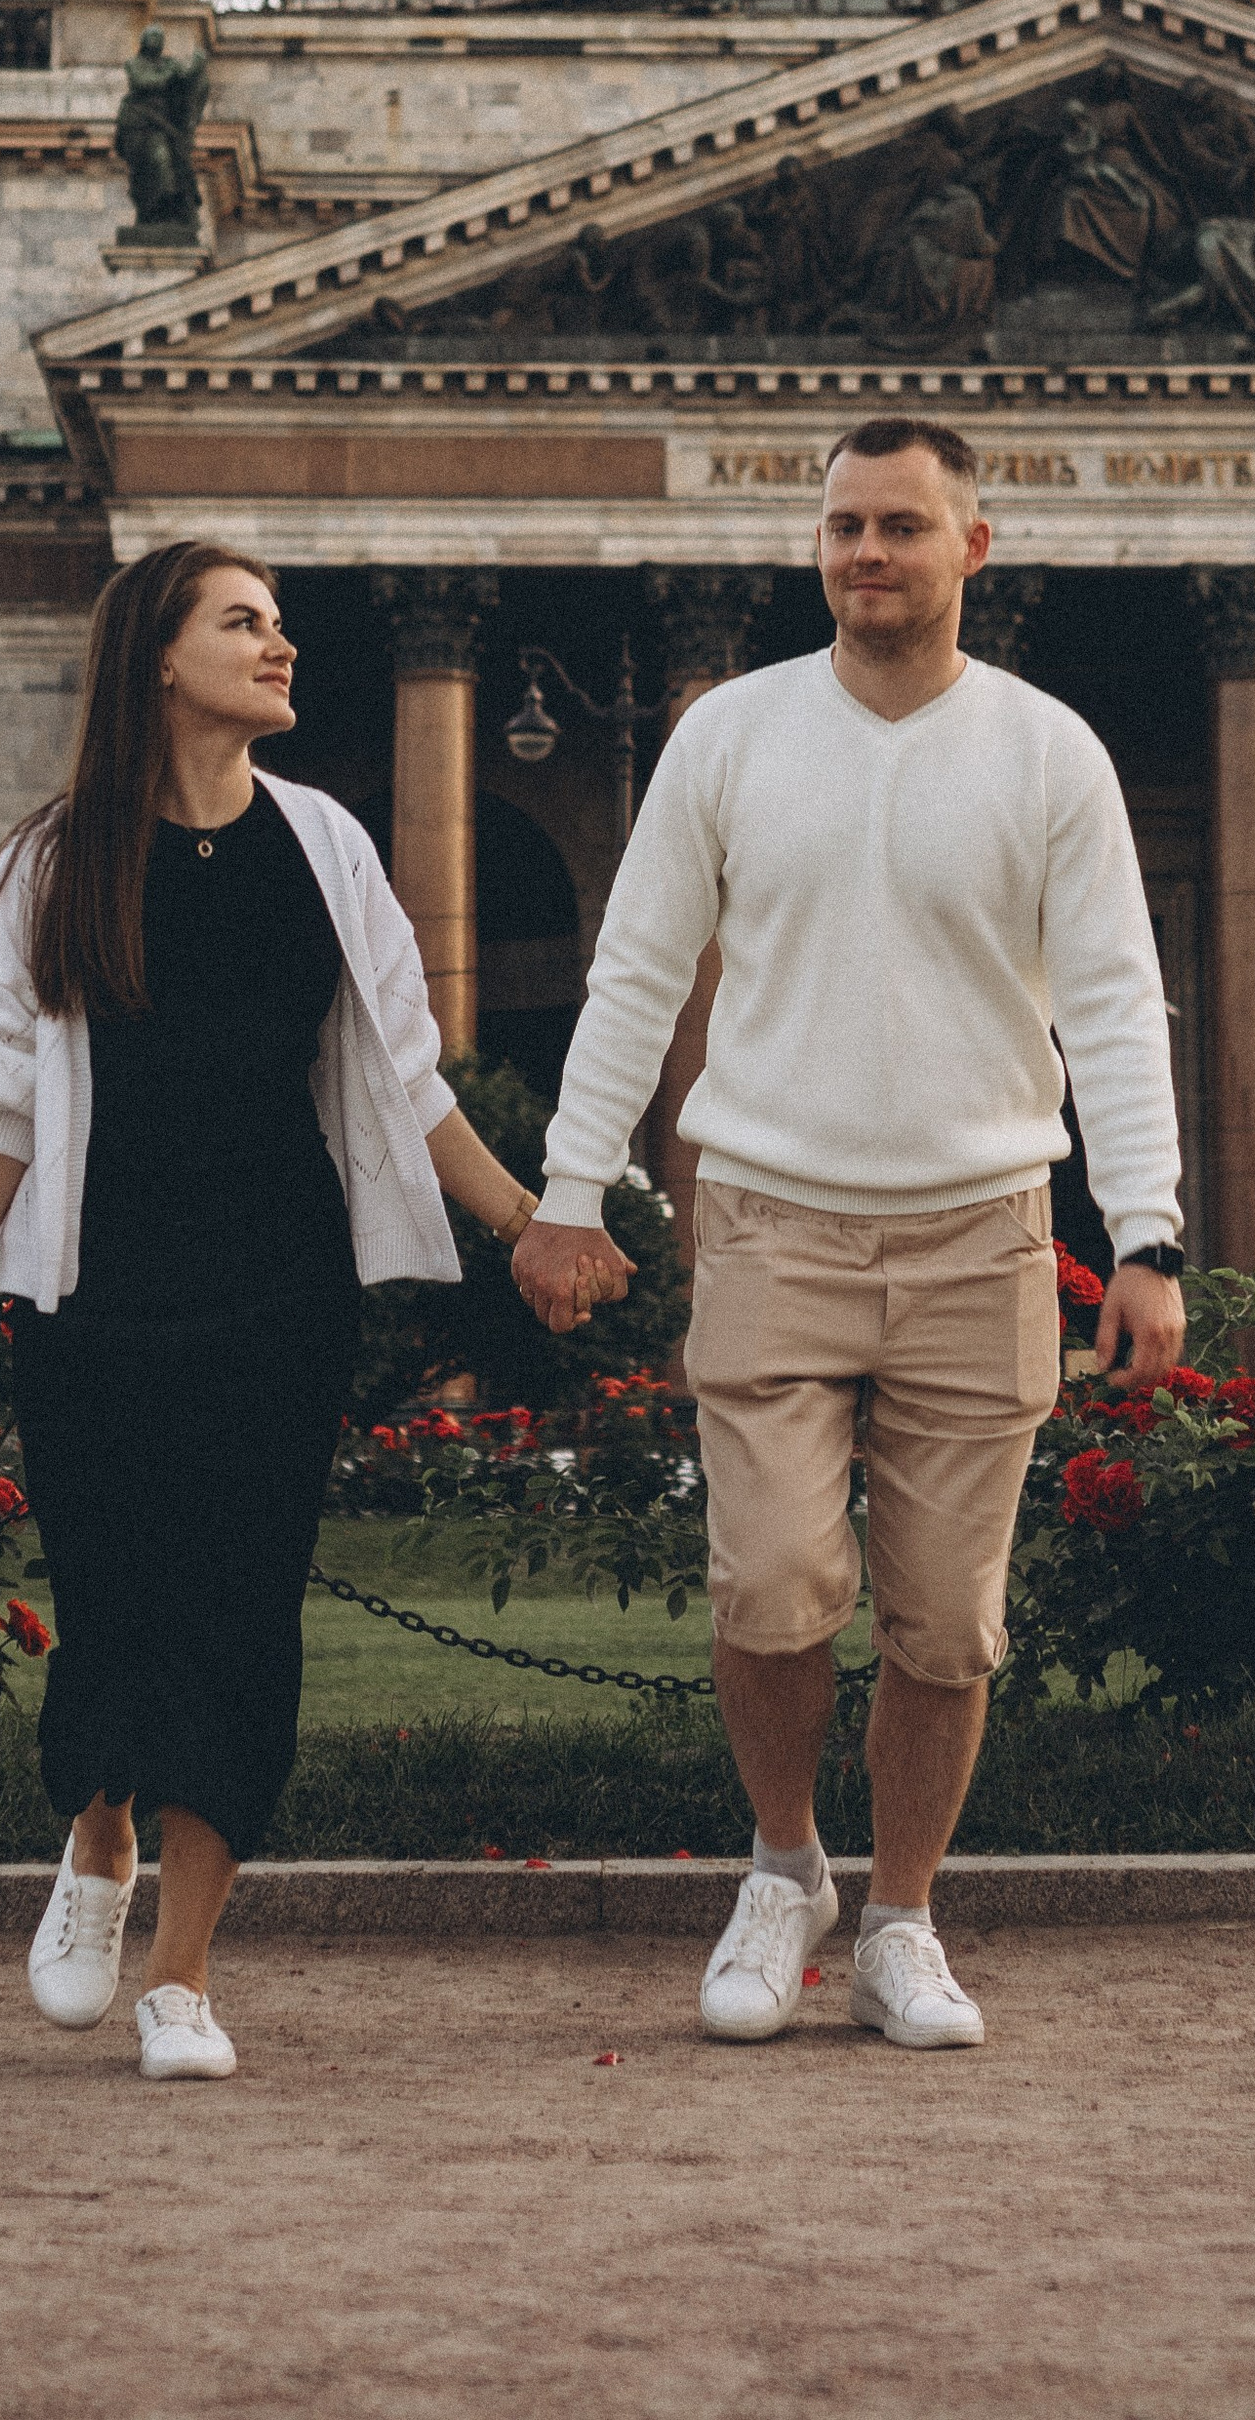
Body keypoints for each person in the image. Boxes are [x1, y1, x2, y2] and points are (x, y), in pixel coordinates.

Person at [513, 418, 1185, 2048]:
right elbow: (636, 971)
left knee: (948, 1624)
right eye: (842, 526)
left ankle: (902, 1921)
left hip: (982, 1232)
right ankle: (782, 1870)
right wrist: (569, 1188)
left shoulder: (1049, 753)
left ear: (975, 546)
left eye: (900, 524)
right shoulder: (731, 735)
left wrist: (1148, 1232)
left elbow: (1113, 1001)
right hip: (769, 1220)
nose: (865, 552)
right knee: (771, 1586)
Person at [0, 539, 560, 2084]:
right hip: (94, 1297)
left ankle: (181, 1979)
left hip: (278, 1292)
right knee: (116, 1600)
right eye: (244, 621)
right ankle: (99, 1836)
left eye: (280, 622)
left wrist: (533, 1225)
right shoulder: (50, 865)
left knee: (243, 1615)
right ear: (161, 660)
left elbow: (410, 1081)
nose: (280, 644)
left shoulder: (327, 848)